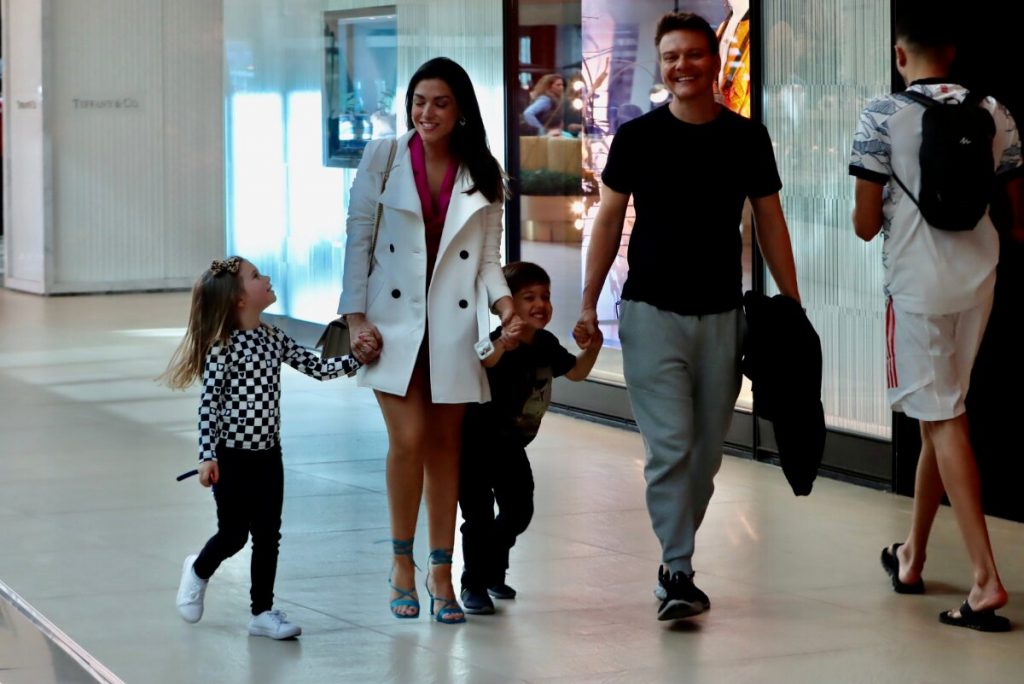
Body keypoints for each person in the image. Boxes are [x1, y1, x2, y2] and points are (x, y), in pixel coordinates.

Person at [573, 11, 801, 622]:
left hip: (723, 316)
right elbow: (608, 218)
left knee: (705, 456)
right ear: (662, 62)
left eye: (694, 54)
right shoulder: (638, 137)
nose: (682, 66)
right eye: (671, 56)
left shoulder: (746, 138)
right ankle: (679, 570)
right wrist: (588, 300)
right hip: (650, 313)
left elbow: (771, 220)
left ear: (715, 60)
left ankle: (675, 555)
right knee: (671, 448)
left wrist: (793, 303)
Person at [849, 5, 1022, 632]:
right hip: (978, 281)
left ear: (901, 55)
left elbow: (866, 226)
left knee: (944, 418)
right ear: (951, 52)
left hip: (917, 289)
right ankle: (913, 557)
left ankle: (985, 582)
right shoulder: (995, 110)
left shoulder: (881, 113)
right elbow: (1016, 214)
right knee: (938, 413)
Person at [338, 57, 520, 624]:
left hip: (451, 328)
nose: (427, 113)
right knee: (410, 440)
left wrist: (504, 304)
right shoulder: (383, 157)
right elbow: (358, 239)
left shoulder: (484, 172)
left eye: (440, 102)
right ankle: (400, 563)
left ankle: (440, 571)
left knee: (447, 451)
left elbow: (487, 261)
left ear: (461, 108)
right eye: (419, 101)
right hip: (391, 328)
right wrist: (354, 320)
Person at [164, 256, 360, 639]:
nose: (266, 278)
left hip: (270, 456)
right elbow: (209, 405)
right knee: (234, 535)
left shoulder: (273, 337)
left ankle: (262, 612)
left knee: (269, 534)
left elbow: (315, 367)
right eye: (256, 276)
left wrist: (357, 360)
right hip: (231, 458)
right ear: (239, 299)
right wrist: (207, 456)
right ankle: (198, 570)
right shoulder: (224, 347)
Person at [458, 262, 604, 615]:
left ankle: (492, 570)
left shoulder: (546, 344)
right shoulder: (494, 340)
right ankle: (473, 583)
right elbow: (487, 359)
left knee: (519, 511)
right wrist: (505, 343)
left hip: (511, 446)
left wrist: (595, 345)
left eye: (546, 296)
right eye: (529, 298)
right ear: (507, 305)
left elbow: (578, 372)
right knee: (478, 517)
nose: (541, 304)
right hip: (473, 445)